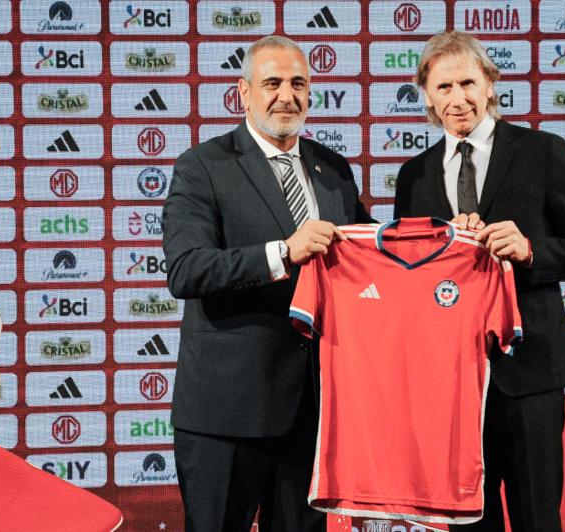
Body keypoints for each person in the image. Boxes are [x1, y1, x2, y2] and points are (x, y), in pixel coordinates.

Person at [394, 31, 565, 531]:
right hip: (452, 382)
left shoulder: (543, 152)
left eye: (468, 83)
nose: (458, 98)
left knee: (538, 517)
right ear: (426, 95)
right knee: (469, 521)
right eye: (443, 87)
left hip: (531, 370)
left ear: (491, 85)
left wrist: (531, 248)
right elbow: (409, 279)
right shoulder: (413, 176)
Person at [162, 35, 372, 531]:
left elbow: (365, 256)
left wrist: (446, 243)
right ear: (243, 92)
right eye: (272, 82)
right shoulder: (202, 166)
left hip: (312, 410)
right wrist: (283, 252)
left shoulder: (333, 170)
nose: (287, 95)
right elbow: (187, 269)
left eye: (298, 83)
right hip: (225, 414)